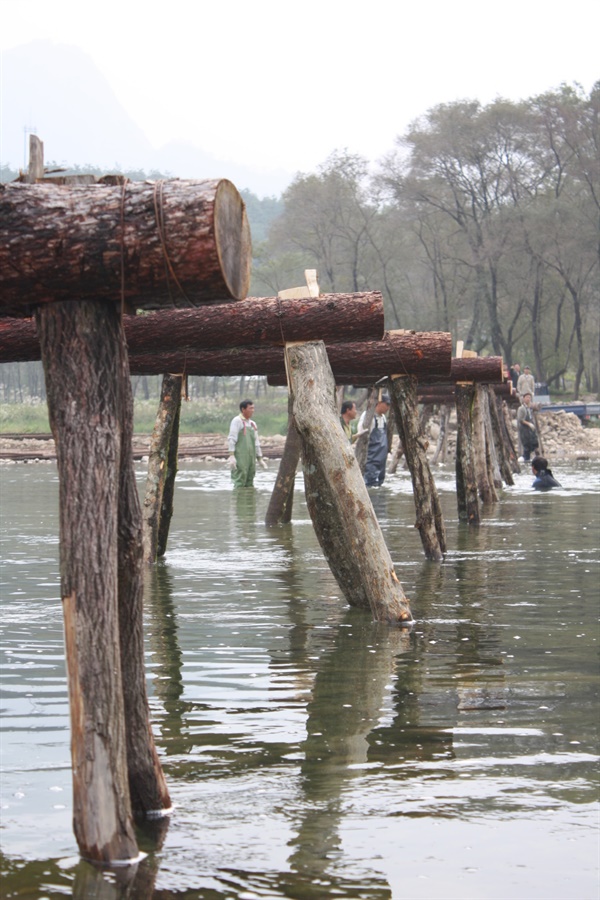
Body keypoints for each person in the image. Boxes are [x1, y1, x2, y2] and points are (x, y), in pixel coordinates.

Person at [227, 399, 267, 488]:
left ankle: (249, 500)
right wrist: (232, 455)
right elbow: (231, 438)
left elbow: (256, 442)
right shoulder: (237, 421)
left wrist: (260, 458)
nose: (253, 410)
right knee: (240, 479)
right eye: (250, 408)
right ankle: (239, 499)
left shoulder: (252, 424)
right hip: (241, 456)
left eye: (253, 408)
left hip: (251, 457)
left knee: (250, 479)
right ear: (243, 409)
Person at [357, 394, 391, 487]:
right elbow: (361, 435)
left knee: (379, 485)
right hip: (371, 461)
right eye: (387, 404)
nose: (388, 407)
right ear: (379, 403)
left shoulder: (383, 417)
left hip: (381, 461)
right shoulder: (368, 416)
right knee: (370, 485)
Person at [517, 392, 539, 462]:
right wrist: (529, 424)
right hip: (524, 430)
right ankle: (525, 460)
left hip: (530, 431)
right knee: (526, 447)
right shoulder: (521, 408)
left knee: (534, 444)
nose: (528, 399)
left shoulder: (530, 409)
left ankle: (533, 460)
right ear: (523, 399)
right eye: (527, 397)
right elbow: (520, 420)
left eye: (529, 397)